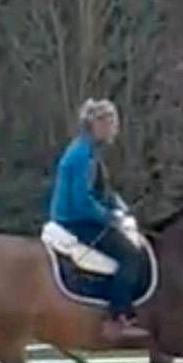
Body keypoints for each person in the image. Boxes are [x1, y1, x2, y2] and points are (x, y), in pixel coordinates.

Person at [48, 98, 148, 342]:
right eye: (112, 122)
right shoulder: (81, 155)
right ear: (98, 124)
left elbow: (104, 191)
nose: (116, 128)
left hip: (82, 216)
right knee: (130, 255)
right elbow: (82, 200)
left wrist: (120, 207)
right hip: (76, 221)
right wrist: (109, 217)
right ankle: (117, 318)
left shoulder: (90, 152)